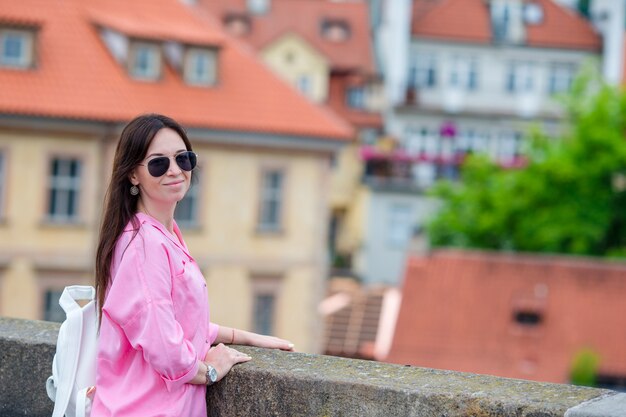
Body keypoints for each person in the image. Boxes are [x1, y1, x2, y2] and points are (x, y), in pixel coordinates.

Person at [92, 114, 294, 416]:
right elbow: (165, 345)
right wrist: (210, 371)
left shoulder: (159, 233)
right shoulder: (146, 244)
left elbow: (176, 321)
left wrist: (248, 338)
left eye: (183, 159)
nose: (175, 171)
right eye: (158, 163)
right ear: (133, 175)